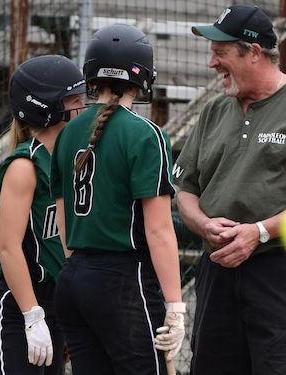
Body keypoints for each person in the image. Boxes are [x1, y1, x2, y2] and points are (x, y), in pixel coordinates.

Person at [173, 4, 286, 375]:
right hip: (218, 269)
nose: (212, 63)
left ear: (253, 52)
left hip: (281, 269)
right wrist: (203, 225)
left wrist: (258, 232)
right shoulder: (213, 111)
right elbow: (185, 190)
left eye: (220, 53)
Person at [49, 24, 185, 375]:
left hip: (74, 279)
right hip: (123, 282)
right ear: (142, 78)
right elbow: (158, 230)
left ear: (92, 75)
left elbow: (63, 221)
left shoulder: (67, 133)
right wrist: (175, 306)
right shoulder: (146, 134)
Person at [0, 54, 86, 375]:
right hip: (20, 303)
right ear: (46, 105)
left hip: (55, 301)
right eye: (73, 98)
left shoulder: (73, 158)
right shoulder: (25, 166)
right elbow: (8, 247)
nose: (82, 104)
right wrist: (32, 315)